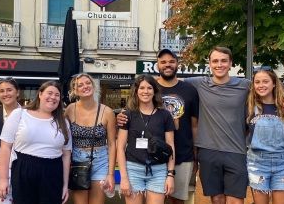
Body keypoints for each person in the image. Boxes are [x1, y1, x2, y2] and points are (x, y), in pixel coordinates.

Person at [118, 49, 199, 204]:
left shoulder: (186, 92)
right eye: (163, 62)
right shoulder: (130, 113)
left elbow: (194, 125)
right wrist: (124, 177)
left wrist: (195, 156)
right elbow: (120, 145)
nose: (146, 91)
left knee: (177, 200)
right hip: (136, 166)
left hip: (173, 159)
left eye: (171, 61)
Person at [184, 46, 251, 204]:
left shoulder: (245, 85)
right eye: (215, 61)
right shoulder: (198, 84)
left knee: (236, 200)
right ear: (209, 63)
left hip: (237, 151)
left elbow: (269, 89)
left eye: (223, 61)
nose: (219, 64)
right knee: (217, 199)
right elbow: (169, 84)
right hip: (208, 151)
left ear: (230, 63)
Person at [0, 81, 72, 204]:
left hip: (53, 172)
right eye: (49, 93)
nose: (53, 97)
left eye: (57, 95)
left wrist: (65, 185)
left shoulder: (64, 122)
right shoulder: (20, 114)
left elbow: (66, 155)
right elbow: (5, 147)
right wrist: (3, 179)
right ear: (40, 94)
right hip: (23, 169)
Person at [117, 75, 175, 204]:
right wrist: (124, 177)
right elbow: (120, 148)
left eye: (149, 88)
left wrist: (170, 175)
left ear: (154, 91)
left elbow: (170, 146)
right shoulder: (128, 115)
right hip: (133, 169)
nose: (145, 91)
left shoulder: (165, 115)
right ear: (136, 91)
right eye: (142, 88)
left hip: (158, 171)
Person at [65, 73, 117, 204]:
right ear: (75, 90)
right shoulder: (70, 110)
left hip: (101, 161)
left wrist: (111, 174)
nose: (85, 86)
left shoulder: (107, 111)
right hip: (77, 161)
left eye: (88, 83)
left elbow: (112, 144)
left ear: (93, 86)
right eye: (80, 85)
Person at [246, 68, 284, 204]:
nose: (261, 85)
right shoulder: (249, 106)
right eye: (257, 82)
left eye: (265, 81)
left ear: (274, 83)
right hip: (257, 163)